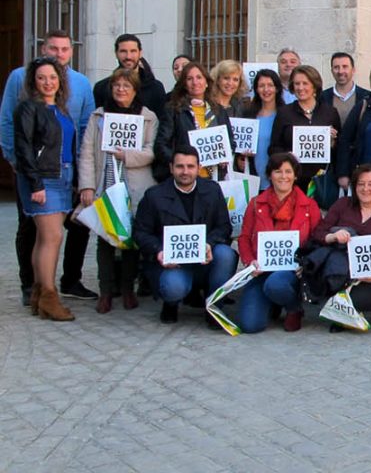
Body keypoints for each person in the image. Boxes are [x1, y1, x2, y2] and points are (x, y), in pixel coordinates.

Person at [0, 30, 97, 305]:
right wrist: (16, 161)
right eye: (53, 48)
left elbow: (83, 127)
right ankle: (32, 287)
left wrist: (82, 172)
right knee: (33, 230)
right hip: (35, 172)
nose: (59, 54)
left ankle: (70, 281)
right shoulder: (20, 78)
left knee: (76, 227)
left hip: (67, 171)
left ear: (71, 52)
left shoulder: (79, 83)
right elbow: (8, 122)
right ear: (43, 49)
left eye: (65, 49)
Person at [78, 68, 160, 314]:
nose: (121, 90)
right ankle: (105, 290)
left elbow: (151, 151)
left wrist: (127, 156)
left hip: (136, 186)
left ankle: (127, 288)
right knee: (105, 238)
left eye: (126, 86)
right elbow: (87, 152)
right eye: (117, 86)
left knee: (131, 240)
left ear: (135, 90)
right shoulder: (99, 117)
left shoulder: (148, 117)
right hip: (106, 183)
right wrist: (87, 186)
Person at [133, 146, 238, 325]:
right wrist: (159, 251)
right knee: (174, 288)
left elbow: (224, 226)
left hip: (205, 259)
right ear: (171, 168)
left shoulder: (212, 190)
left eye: (190, 166)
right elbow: (140, 232)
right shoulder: (154, 195)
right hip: (172, 264)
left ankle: (214, 307)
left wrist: (209, 244)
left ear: (199, 167)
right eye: (180, 166)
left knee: (227, 255)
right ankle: (171, 303)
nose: (185, 172)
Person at [15, 58, 78, 321]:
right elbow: (24, 148)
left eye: (52, 77)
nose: (48, 82)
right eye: (41, 78)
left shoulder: (61, 109)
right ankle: (50, 297)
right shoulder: (28, 108)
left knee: (45, 239)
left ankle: (40, 294)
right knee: (53, 238)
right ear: (33, 82)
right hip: (44, 179)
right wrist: (36, 184)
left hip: (63, 176)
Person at [309, 164, 371, 329]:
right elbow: (318, 232)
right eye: (361, 184)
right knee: (327, 301)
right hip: (341, 271)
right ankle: (342, 309)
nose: (365, 189)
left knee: (356, 302)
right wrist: (332, 236)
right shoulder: (342, 205)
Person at [235, 153, 323, 333]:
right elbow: (244, 237)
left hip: (292, 272)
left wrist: (306, 264)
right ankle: (274, 301)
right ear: (269, 175)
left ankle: (293, 307)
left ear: (295, 175)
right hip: (261, 270)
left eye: (288, 171)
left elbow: (317, 240)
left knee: (276, 284)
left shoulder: (309, 206)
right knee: (250, 325)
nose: (283, 176)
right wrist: (250, 260)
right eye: (278, 171)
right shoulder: (255, 203)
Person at [269, 65, 342, 191]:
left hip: (321, 182)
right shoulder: (284, 113)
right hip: (292, 181)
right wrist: (286, 156)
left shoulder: (330, 112)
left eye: (305, 83)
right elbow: (274, 148)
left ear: (314, 86)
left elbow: (340, 148)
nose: (300, 88)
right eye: (297, 84)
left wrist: (332, 142)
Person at [156, 62, 231, 179]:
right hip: (183, 177)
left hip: (214, 177)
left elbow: (230, 141)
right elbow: (161, 145)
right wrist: (179, 163)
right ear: (184, 84)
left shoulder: (218, 110)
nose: (195, 82)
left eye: (199, 77)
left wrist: (225, 156)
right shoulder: (173, 109)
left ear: (206, 82)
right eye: (189, 78)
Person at [91, 33, 167, 115]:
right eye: (123, 51)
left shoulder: (155, 88)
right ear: (116, 53)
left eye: (133, 51)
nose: (128, 56)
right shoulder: (101, 87)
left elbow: (161, 121)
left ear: (140, 53)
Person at [236, 70, 283, 177]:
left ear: (277, 88)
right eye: (261, 86)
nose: (266, 89)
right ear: (256, 89)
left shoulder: (285, 115)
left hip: (279, 176)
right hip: (253, 174)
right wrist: (240, 158)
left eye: (270, 85)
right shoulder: (247, 115)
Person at [320, 52, 370, 125]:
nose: (340, 71)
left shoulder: (367, 96)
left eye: (345, 67)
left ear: (353, 70)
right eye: (336, 67)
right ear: (331, 71)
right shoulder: (322, 97)